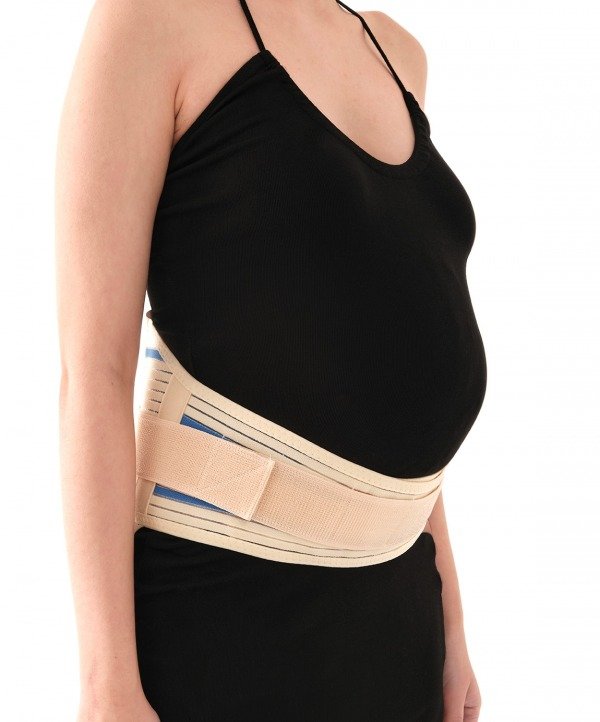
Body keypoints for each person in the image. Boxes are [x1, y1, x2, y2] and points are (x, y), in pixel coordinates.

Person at [55, 0, 486, 720]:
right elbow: (92, 371)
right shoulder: (151, 21)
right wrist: (107, 686)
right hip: (227, 615)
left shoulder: (396, 53)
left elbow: (383, 372)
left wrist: (455, 628)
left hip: (400, 614)